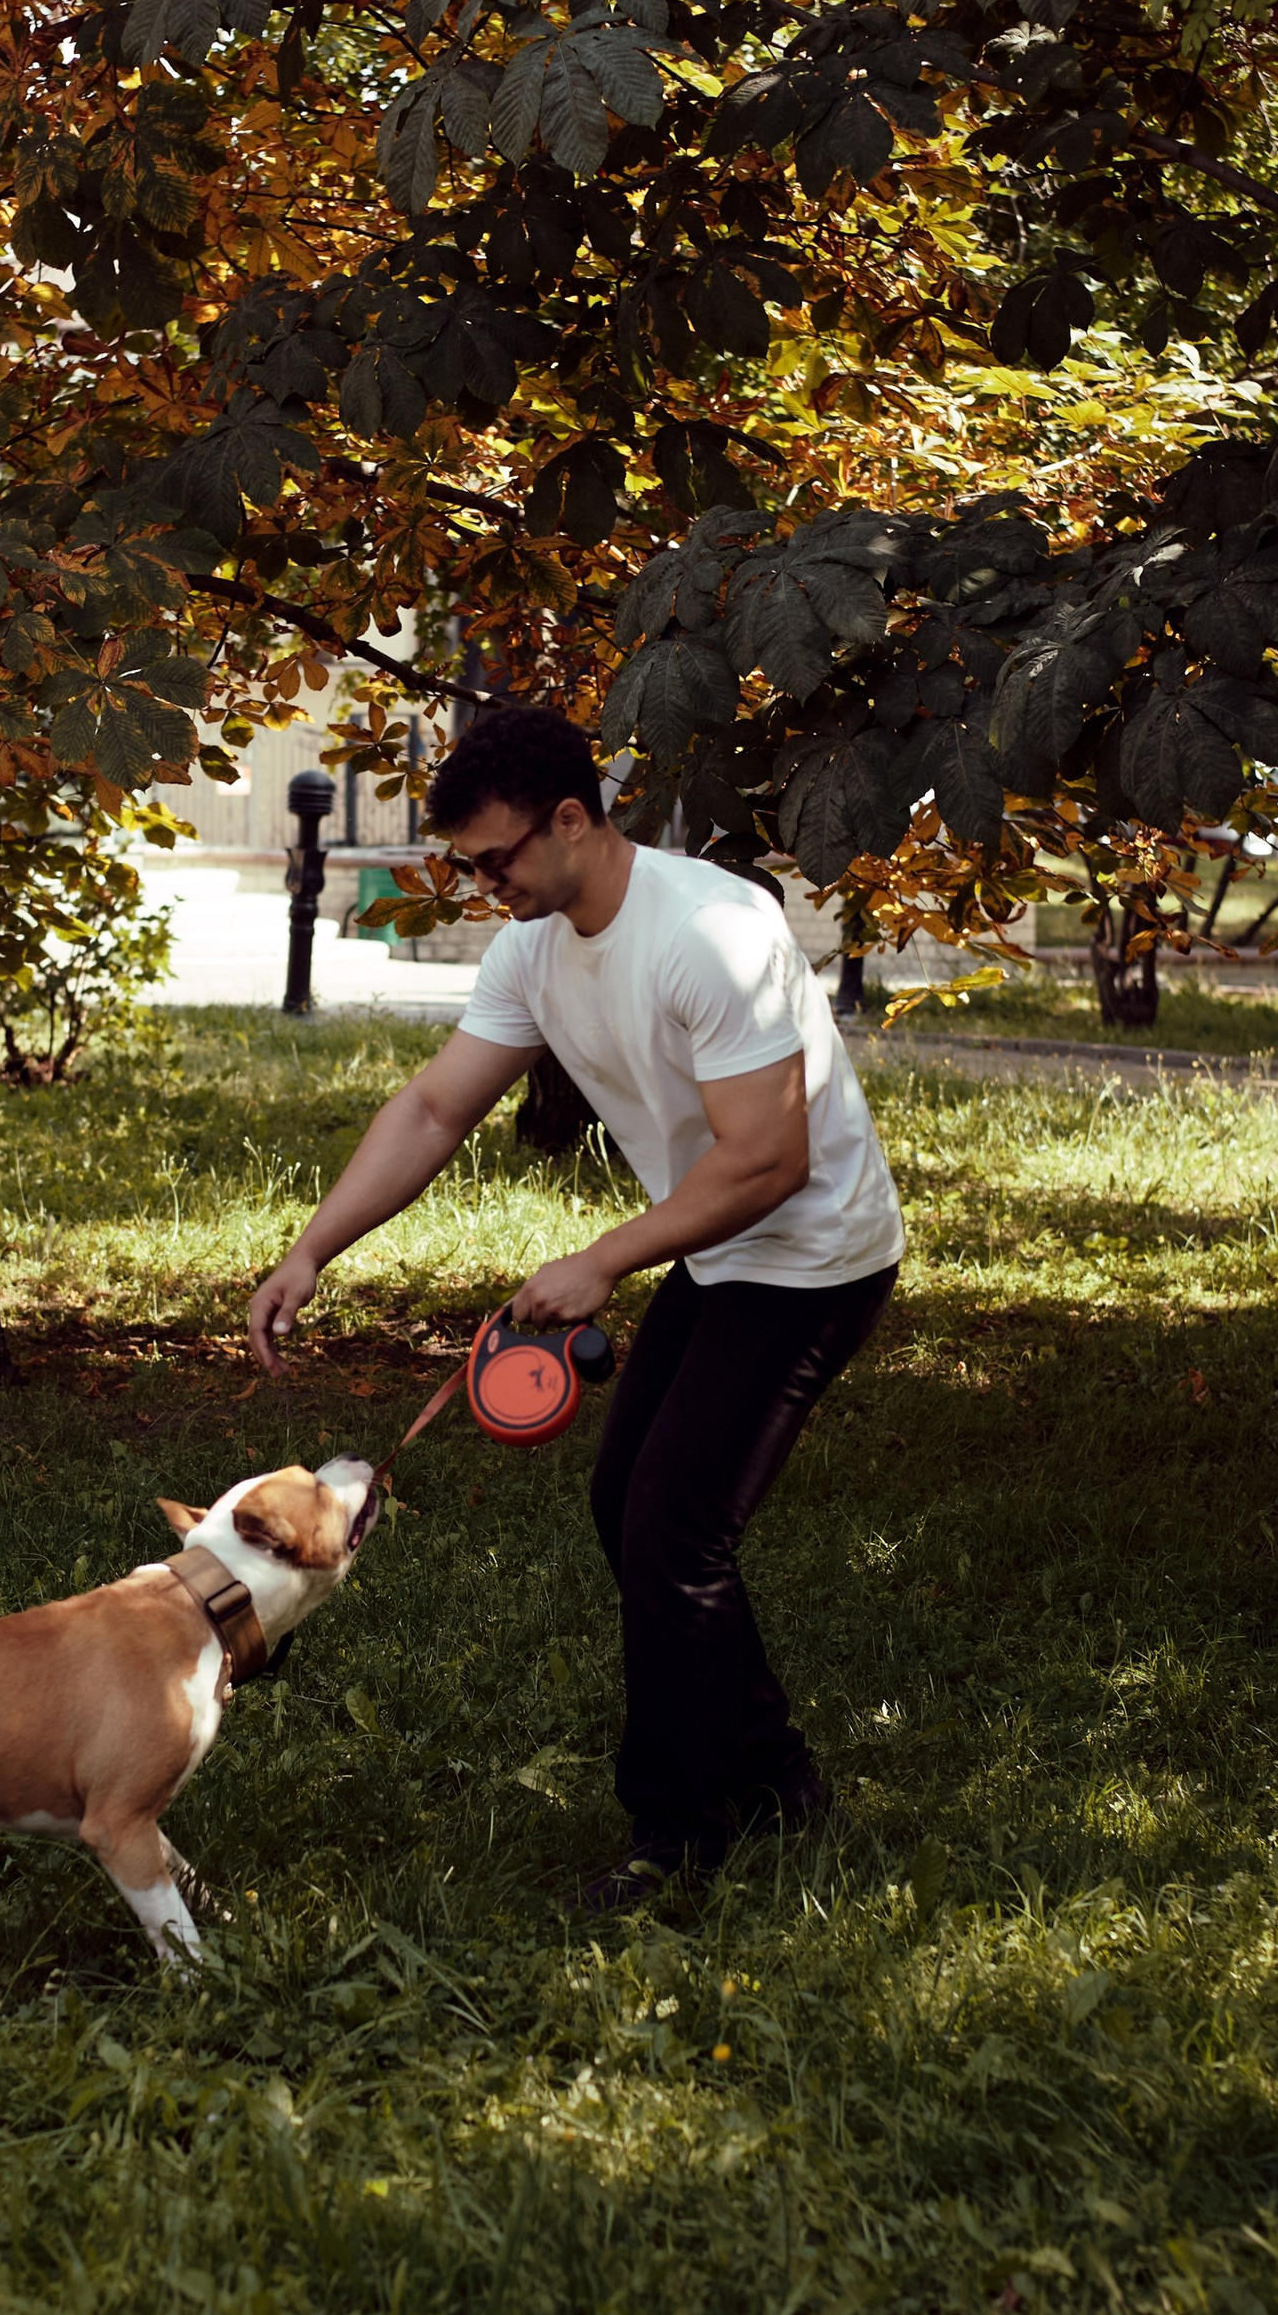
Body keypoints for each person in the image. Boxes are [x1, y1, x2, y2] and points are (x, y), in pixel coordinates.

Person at [246, 703, 903, 1907]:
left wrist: (605, 1258)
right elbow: (434, 1110)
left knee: (671, 1528)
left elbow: (768, 1159)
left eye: (496, 859)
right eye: (467, 865)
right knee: (635, 1509)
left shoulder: (710, 931)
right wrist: (310, 1253)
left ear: (570, 818)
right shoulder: (532, 951)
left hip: (812, 1257)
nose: (484, 884)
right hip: (717, 1253)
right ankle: (775, 1777)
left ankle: (677, 1837)